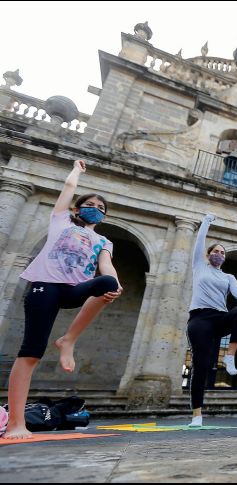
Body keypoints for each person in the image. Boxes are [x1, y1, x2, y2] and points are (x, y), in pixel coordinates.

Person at [2, 159, 122, 440]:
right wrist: (76, 171)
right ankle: (16, 423)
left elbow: (106, 266)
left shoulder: (104, 241)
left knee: (108, 283)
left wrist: (116, 286)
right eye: (91, 205)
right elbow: (68, 188)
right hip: (45, 287)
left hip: (72, 290)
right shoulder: (61, 220)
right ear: (78, 209)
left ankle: (68, 339)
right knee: (31, 352)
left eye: (101, 209)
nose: (97, 209)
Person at [186, 213, 237, 427]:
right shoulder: (199, 266)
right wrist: (206, 222)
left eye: (222, 252)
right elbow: (199, 243)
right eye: (215, 251)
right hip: (199, 319)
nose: (219, 254)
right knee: (201, 366)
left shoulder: (228, 277)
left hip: (220, 318)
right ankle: (197, 414)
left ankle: (230, 356)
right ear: (208, 254)